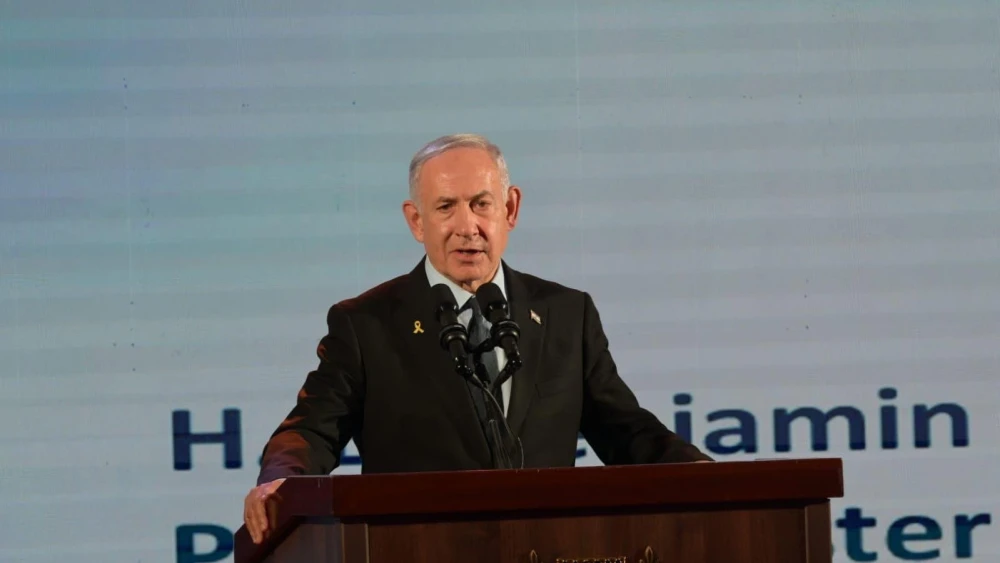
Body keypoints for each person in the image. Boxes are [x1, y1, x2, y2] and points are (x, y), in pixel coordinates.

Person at [243, 133, 712, 543]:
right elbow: (310, 429)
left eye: (481, 204)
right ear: (416, 221)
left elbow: (626, 432)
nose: (467, 227)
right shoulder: (367, 324)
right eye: (446, 207)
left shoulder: (567, 314)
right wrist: (282, 480)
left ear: (510, 209)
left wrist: (708, 479)